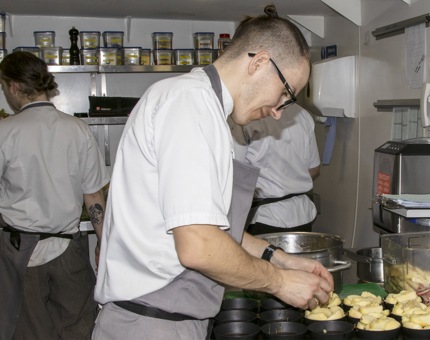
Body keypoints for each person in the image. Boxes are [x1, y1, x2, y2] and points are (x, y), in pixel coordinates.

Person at [93, 4, 334, 339]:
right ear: (259, 62)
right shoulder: (189, 104)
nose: (279, 112)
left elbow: (211, 229)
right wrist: (279, 282)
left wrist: (278, 258)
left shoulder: (206, 110)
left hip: (169, 318)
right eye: (284, 93)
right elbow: (199, 245)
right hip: (152, 323)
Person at [0, 52, 110, 340]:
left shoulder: (4, 131)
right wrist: (105, 243)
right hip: (69, 252)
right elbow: (94, 197)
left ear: (12, 86)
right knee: (80, 328)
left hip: (19, 254)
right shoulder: (78, 129)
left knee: (28, 331)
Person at [229, 103, 320, 235]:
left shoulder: (247, 116)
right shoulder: (303, 114)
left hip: (264, 218)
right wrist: (289, 185)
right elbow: (314, 169)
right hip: (302, 217)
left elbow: (233, 175)